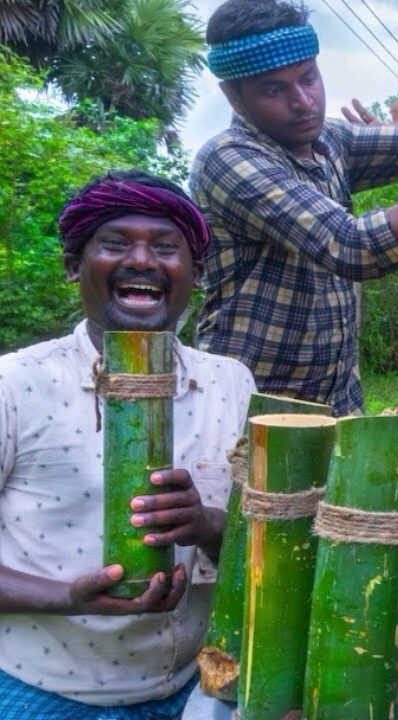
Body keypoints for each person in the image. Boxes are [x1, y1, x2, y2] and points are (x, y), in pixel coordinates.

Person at [191, 0, 398, 416]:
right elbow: (354, 247)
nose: (303, 102)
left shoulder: (332, 141)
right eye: (274, 90)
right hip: (251, 405)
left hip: (336, 400)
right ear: (235, 98)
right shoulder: (229, 159)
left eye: (308, 79)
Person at [0, 170, 256, 718]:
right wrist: (66, 597)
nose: (142, 260)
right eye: (115, 244)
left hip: (193, 688)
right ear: (75, 265)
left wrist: (209, 525)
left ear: (196, 273)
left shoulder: (230, 383)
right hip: (40, 690)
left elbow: (263, 543)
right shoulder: (13, 386)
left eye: (166, 248)